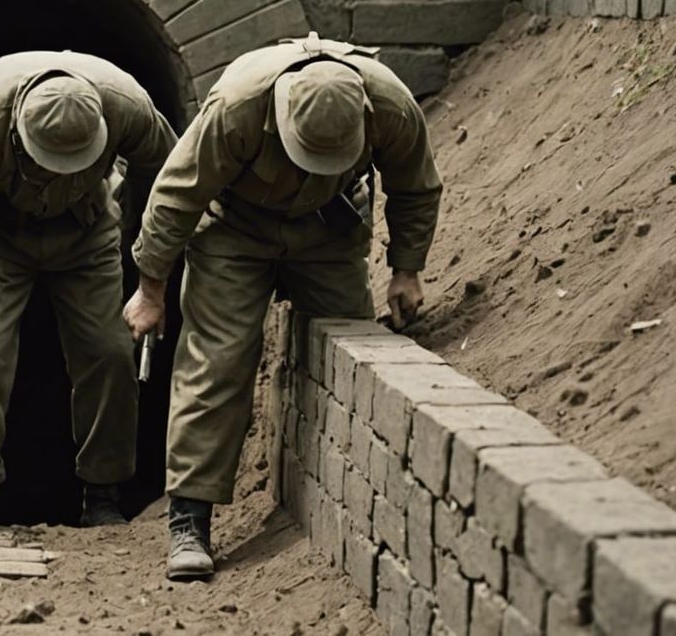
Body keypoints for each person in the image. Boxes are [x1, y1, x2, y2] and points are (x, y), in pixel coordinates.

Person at [123, 33, 441, 581]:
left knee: (350, 341)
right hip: (232, 229)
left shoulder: (391, 106)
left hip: (328, 226)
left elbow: (415, 186)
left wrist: (406, 270)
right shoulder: (238, 107)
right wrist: (151, 291)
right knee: (217, 362)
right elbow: (177, 194)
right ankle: (189, 519)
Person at [0, 51, 177, 528]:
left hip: (87, 232)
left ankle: (103, 491)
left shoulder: (127, 106)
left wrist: (151, 281)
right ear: (18, 134)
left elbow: (175, 181)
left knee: (110, 353)